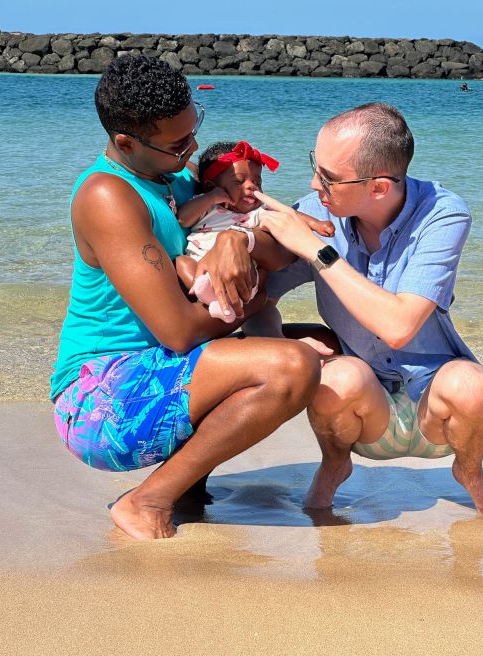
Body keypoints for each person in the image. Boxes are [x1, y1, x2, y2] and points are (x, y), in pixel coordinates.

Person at [50, 55, 327, 541]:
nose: (193, 148)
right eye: (178, 144)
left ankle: (188, 483)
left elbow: (277, 252)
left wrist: (234, 241)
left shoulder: (176, 179)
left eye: (194, 130)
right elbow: (178, 330)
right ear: (126, 142)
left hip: (161, 364)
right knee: (293, 365)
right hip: (99, 398)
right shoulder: (108, 196)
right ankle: (147, 501)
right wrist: (256, 301)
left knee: (326, 343)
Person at [246, 102, 483, 518]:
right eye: (315, 166)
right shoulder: (315, 212)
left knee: (471, 384)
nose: (314, 185)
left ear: (379, 188)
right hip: (360, 406)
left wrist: (317, 251)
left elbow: (399, 326)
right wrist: (280, 341)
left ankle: (470, 472)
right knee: (339, 374)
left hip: (435, 410)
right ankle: (334, 466)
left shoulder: (443, 214)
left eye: (329, 179)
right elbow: (258, 299)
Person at [175, 139, 334, 321]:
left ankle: (221, 303)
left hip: (238, 276)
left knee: (249, 269)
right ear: (212, 186)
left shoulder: (257, 213)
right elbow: (183, 218)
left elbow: (288, 215)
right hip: (200, 269)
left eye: (257, 182)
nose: (252, 186)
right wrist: (212, 197)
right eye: (239, 181)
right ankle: (205, 294)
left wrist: (317, 224)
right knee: (181, 262)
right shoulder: (206, 206)